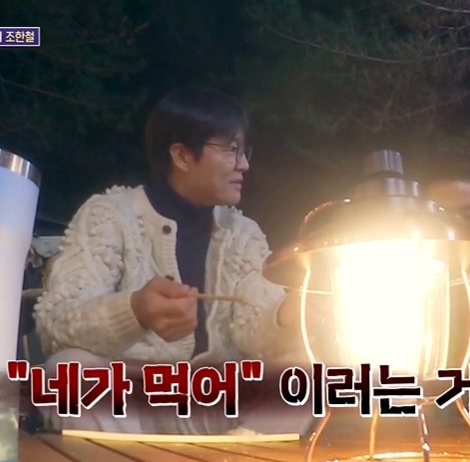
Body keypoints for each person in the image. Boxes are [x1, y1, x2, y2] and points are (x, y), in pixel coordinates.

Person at [33, 88, 309, 435]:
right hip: (130, 402)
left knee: (305, 372)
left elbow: (256, 327)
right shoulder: (109, 214)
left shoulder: (243, 234)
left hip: (212, 398)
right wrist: (134, 310)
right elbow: (55, 323)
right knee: (67, 371)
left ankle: (236, 453)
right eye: (231, 150)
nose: (244, 164)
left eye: (244, 151)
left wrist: (289, 314)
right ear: (182, 155)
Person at [418, 153, 470, 424]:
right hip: (427, 422)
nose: (456, 227)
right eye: (442, 215)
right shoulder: (410, 277)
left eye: (469, 213)